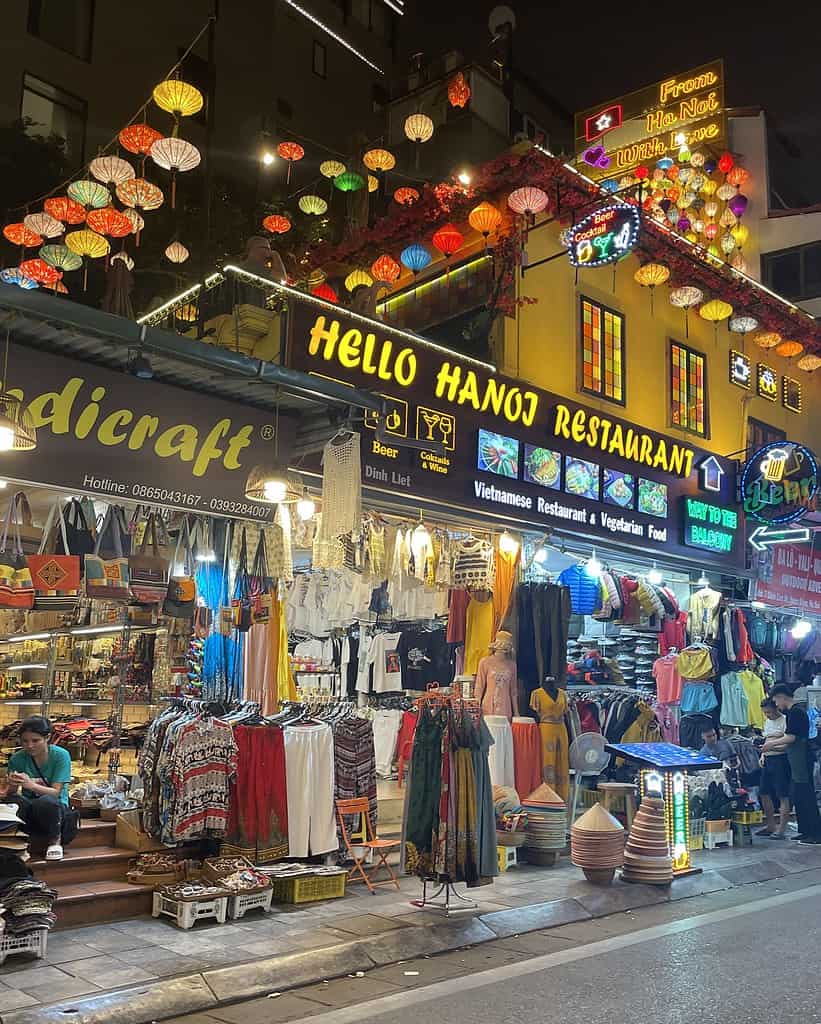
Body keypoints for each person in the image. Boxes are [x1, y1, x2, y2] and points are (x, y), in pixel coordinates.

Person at [0, 716, 72, 860]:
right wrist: (12, 783)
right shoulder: (17, 758)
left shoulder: (60, 756)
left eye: (35, 741)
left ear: (47, 738)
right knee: (13, 801)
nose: (30, 746)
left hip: (54, 808)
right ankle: (14, 841)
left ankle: (55, 841)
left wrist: (31, 785)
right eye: (25, 741)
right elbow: (11, 793)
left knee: (46, 801)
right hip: (30, 806)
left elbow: (56, 793)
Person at [763, 685, 821, 845]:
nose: (776, 705)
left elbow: (791, 737)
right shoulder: (792, 713)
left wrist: (771, 744)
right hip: (795, 760)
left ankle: (815, 833)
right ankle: (805, 830)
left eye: (776, 700)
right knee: (798, 796)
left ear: (781, 696)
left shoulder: (796, 712)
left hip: (802, 759)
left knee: (806, 795)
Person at [757, 697, 791, 839]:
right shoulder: (767, 722)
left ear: (776, 708)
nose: (767, 715)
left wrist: (772, 747)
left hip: (780, 760)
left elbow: (787, 744)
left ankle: (781, 829)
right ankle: (770, 825)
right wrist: (763, 755)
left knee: (782, 794)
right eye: (765, 713)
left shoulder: (785, 721)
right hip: (767, 759)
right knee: (764, 792)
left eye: (769, 712)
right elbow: (767, 740)